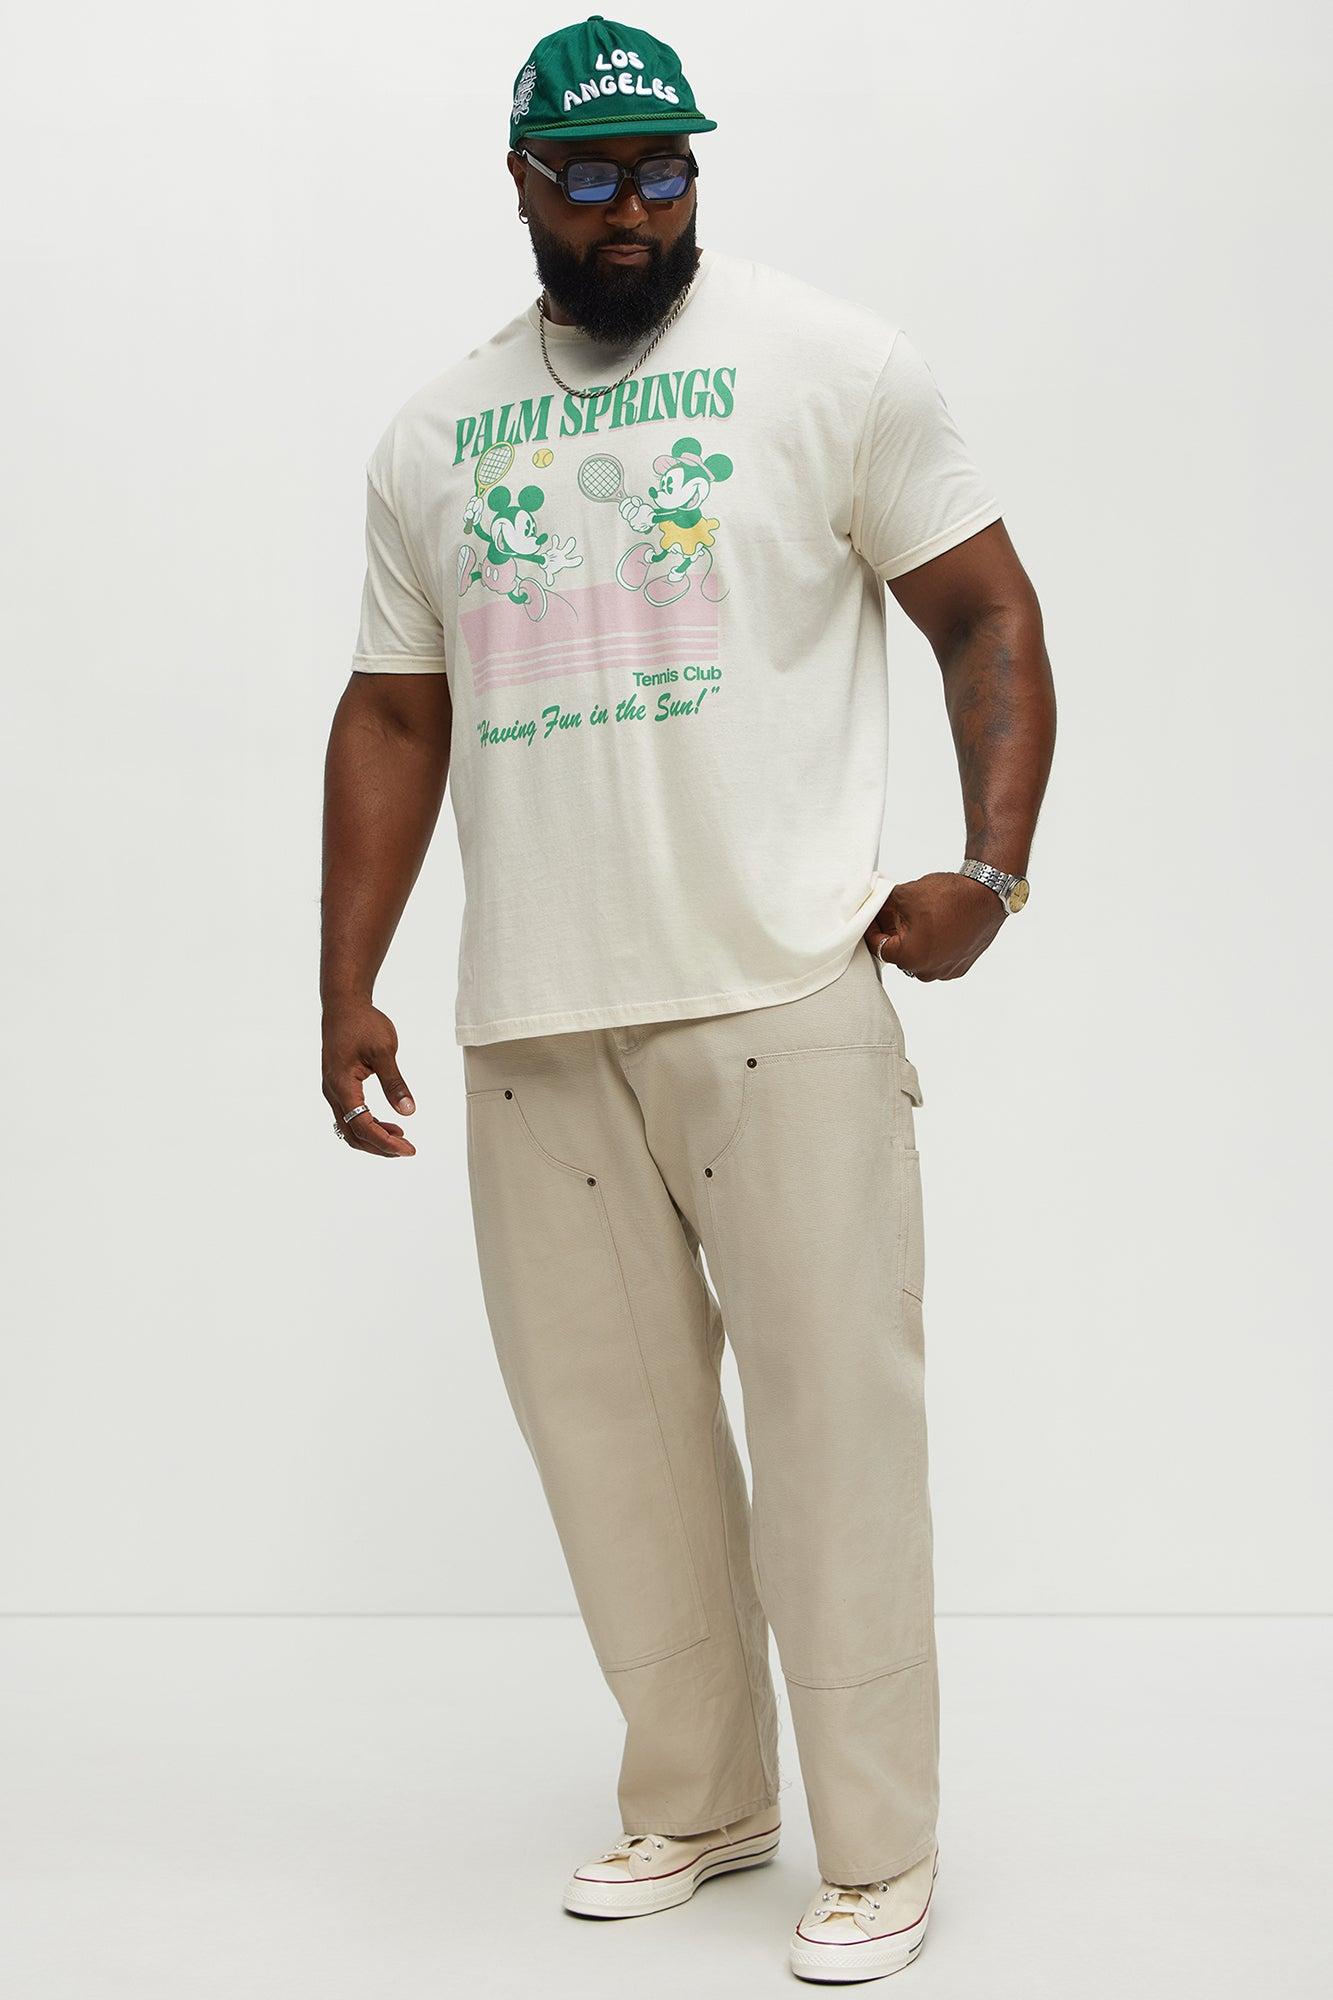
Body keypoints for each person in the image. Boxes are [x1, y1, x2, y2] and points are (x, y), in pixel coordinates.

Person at [319, 12, 1056, 1982]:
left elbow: (981, 606)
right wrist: (346, 981)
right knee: (611, 1448)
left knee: (835, 1441)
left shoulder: (833, 364)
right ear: (522, 181)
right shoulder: (430, 434)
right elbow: (393, 710)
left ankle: (877, 1848)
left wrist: (992, 869)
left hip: (779, 987)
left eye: (664, 171)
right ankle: (703, 1798)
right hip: (534, 1016)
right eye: (593, 178)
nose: (634, 210)